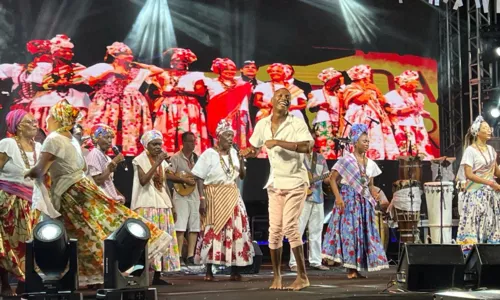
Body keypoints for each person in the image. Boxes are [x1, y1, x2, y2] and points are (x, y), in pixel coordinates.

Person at [25, 100, 171, 287]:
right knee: (94, 232)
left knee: (86, 234)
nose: (47, 119)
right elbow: (84, 168)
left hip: (72, 193)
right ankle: (101, 274)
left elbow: (39, 170)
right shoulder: (70, 139)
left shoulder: (53, 138)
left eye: (51, 116)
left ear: (59, 118)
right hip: (82, 188)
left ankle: (91, 274)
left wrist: (24, 172)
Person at [240, 88, 314, 291]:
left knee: (290, 227)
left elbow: (308, 147)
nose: (284, 98)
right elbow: (255, 149)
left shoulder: (297, 123)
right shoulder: (263, 124)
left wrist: (278, 142)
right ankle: (277, 277)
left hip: (296, 182)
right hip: (275, 183)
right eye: (280, 96)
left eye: (287, 97)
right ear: (271, 100)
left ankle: (302, 277)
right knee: (274, 232)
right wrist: (248, 152)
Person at [321, 123, 389, 279]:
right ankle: (350, 269)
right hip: (348, 200)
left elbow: (370, 185)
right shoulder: (346, 160)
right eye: (364, 141)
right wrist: (338, 198)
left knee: (362, 234)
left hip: (364, 203)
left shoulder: (371, 164)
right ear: (355, 141)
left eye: (368, 141)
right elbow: (332, 179)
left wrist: (374, 193)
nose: (367, 144)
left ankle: (356, 268)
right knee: (349, 233)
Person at [191, 119, 254, 281]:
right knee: (213, 230)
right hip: (213, 194)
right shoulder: (209, 154)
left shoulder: (234, 153)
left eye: (232, 136)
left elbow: (242, 175)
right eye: (227, 135)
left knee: (236, 230)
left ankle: (235, 269)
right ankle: (209, 270)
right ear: (218, 137)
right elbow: (198, 177)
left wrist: (240, 158)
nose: (231, 139)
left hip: (232, 194)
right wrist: (202, 198)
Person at [82, 42, 152, 156]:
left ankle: (125, 156)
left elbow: (157, 70)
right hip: (106, 103)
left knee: (127, 131)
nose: (129, 56)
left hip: (129, 105)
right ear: (116, 55)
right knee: (103, 127)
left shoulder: (135, 70)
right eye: (125, 54)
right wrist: (110, 72)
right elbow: (90, 81)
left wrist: (137, 64)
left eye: (130, 54)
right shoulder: (105, 67)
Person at [131, 129, 181, 283]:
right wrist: (158, 162)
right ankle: (139, 276)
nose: (158, 147)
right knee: (147, 242)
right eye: (154, 144)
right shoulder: (139, 160)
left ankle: (158, 276)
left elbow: (164, 184)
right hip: (146, 204)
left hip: (162, 204)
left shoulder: (162, 163)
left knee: (164, 241)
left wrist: (172, 206)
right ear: (147, 145)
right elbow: (144, 180)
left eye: (160, 144)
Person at [0, 110, 41, 296]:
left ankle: (25, 284)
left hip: (32, 203)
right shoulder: (7, 144)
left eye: (35, 121)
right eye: (29, 122)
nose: (35, 124)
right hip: (8, 201)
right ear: (17, 127)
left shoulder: (40, 147)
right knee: (6, 244)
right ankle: (5, 286)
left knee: (29, 245)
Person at [148, 48, 210, 155]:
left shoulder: (194, 75)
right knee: (168, 131)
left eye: (183, 61)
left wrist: (184, 91)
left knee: (186, 131)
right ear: (171, 62)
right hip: (169, 107)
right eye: (177, 61)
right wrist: (168, 92)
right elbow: (155, 92)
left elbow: (201, 92)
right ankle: (166, 157)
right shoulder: (164, 74)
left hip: (188, 108)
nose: (180, 63)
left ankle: (189, 157)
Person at [456, 116, 500, 254]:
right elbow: (469, 174)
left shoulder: (491, 150)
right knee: (474, 224)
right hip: (475, 194)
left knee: (490, 224)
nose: (489, 130)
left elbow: (497, 172)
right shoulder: (470, 150)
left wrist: (493, 183)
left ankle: (489, 256)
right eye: (485, 128)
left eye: (489, 128)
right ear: (477, 132)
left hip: (490, 196)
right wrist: (490, 183)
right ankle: (471, 259)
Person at [29, 34, 90, 131]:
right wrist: (51, 85)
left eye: (70, 52)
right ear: (54, 53)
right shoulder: (43, 68)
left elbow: (88, 87)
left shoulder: (79, 68)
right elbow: (32, 88)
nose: (69, 54)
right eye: (64, 51)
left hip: (75, 105)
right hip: (46, 105)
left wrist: (70, 84)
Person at [289, 134, 330, 272]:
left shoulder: (321, 159)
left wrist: (332, 178)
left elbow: (326, 179)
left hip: (318, 198)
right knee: (298, 230)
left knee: (316, 231)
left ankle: (315, 261)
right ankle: (294, 262)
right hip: (301, 198)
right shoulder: (296, 158)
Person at [342, 65, 398, 160]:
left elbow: (382, 100)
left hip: (374, 118)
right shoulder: (350, 88)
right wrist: (369, 91)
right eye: (367, 76)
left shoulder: (371, 88)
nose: (369, 78)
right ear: (361, 77)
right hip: (359, 118)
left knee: (375, 139)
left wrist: (375, 91)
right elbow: (361, 99)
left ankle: (376, 158)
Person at [165, 132, 201, 265]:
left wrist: (202, 197)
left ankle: (190, 256)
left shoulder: (197, 158)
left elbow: (201, 178)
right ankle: (179, 255)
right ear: (183, 142)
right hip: (180, 194)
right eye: (190, 141)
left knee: (194, 226)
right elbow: (167, 174)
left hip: (195, 194)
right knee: (180, 225)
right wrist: (182, 179)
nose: (193, 144)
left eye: (194, 141)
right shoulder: (175, 158)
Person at [204, 58, 253, 149]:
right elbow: (210, 103)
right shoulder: (211, 83)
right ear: (219, 70)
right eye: (226, 69)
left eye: (232, 69)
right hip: (220, 119)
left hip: (240, 118)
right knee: (222, 146)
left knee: (239, 147)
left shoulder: (242, 84)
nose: (230, 72)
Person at [385, 70, 434, 159]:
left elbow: (418, 110)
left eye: (416, 82)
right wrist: (403, 111)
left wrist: (423, 112)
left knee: (422, 154)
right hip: (402, 127)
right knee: (405, 154)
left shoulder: (416, 96)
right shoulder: (391, 95)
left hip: (418, 126)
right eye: (414, 82)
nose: (416, 85)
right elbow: (386, 109)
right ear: (406, 83)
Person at [307, 68, 344, 160]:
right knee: (325, 146)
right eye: (334, 80)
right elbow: (311, 109)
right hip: (323, 121)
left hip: (338, 122)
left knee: (338, 146)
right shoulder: (316, 93)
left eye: (336, 80)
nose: (336, 82)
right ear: (327, 81)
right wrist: (320, 105)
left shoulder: (339, 93)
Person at [85, 124, 126, 203]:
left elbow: (108, 181)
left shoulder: (106, 157)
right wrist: (114, 162)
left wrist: (119, 195)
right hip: (100, 201)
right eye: (107, 137)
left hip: (110, 200)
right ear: (96, 138)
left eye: (111, 138)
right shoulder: (94, 154)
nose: (110, 141)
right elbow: (98, 180)